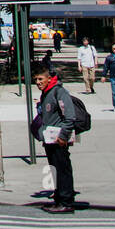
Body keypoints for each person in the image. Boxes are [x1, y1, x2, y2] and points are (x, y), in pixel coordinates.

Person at [33, 65, 77, 213]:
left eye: (41, 79)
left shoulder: (59, 92)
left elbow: (69, 117)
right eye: (36, 80)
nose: (38, 82)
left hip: (58, 139)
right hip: (50, 138)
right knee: (55, 169)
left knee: (62, 169)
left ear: (49, 79)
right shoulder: (46, 93)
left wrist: (63, 136)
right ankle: (59, 199)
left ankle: (66, 201)